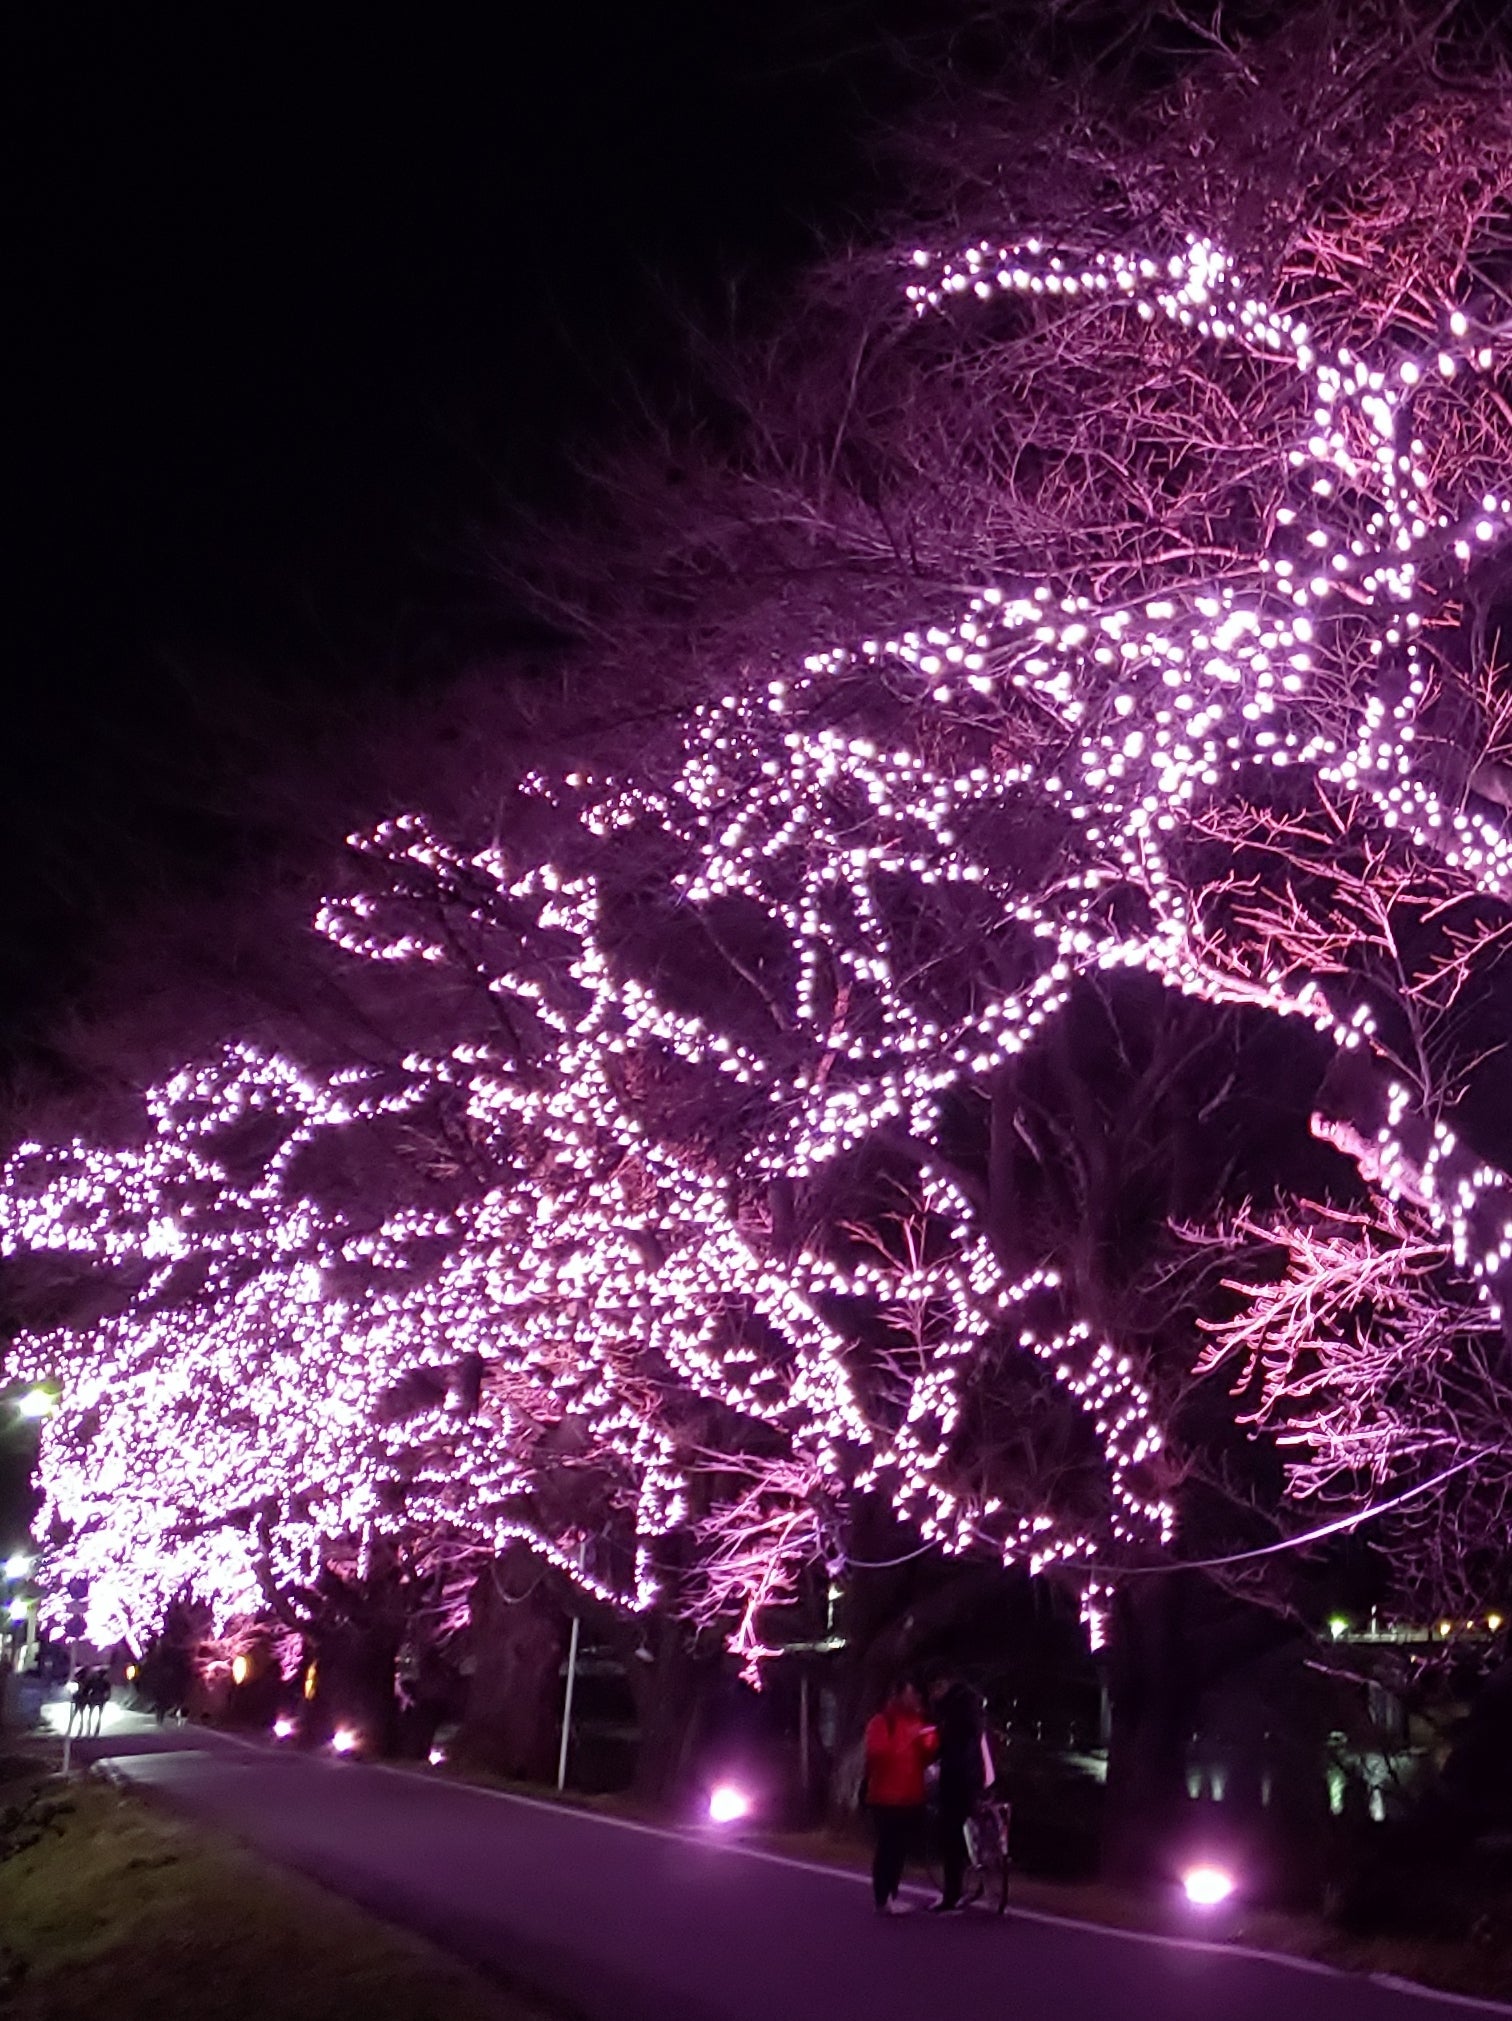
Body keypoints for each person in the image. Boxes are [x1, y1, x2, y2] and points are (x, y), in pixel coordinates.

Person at [863, 1681, 937, 1913]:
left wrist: (929, 1738)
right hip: (885, 1795)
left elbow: (930, 1751)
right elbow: (876, 1752)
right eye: (910, 1693)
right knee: (887, 1847)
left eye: (916, 1694)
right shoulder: (883, 1721)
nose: (914, 1698)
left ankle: (892, 1894)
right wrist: (908, 1742)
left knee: (900, 1849)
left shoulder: (919, 1721)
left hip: (911, 1794)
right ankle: (883, 1897)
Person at [929, 1675, 990, 1912]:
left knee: (950, 1836)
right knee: (971, 1826)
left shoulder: (951, 1710)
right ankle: (981, 1873)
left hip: (957, 1777)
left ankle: (952, 1893)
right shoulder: (970, 1704)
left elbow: (946, 1744)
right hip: (976, 1775)